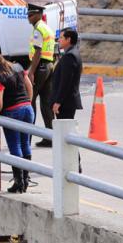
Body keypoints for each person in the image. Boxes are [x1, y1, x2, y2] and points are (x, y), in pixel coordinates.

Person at [0, 50, 34, 193]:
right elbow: (29, 86)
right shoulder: (17, 67)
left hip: (12, 112)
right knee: (25, 144)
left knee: (15, 146)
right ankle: (26, 179)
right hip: (28, 109)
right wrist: (27, 102)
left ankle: (19, 182)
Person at [51, 28, 83, 173]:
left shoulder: (70, 56)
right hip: (67, 101)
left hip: (66, 103)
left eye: (61, 38)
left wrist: (58, 102)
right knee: (67, 134)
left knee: (66, 134)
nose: (59, 40)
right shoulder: (72, 53)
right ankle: (73, 163)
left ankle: (74, 164)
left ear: (69, 39)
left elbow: (66, 82)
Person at [26, 3, 56, 147]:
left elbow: (37, 52)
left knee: (30, 100)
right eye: (27, 15)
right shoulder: (47, 27)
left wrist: (31, 71)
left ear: (38, 14)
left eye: (31, 15)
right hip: (49, 66)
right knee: (47, 103)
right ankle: (50, 137)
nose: (28, 18)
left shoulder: (38, 29)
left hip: (40, 67)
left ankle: (27, 136)